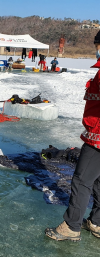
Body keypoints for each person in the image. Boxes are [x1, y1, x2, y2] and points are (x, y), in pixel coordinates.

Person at [45, 30, 100, 242]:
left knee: (81, 180)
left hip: (97, 136)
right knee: (97, 180)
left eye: (98, 47)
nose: (97, 52)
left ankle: (72, 225)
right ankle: (96, 221)